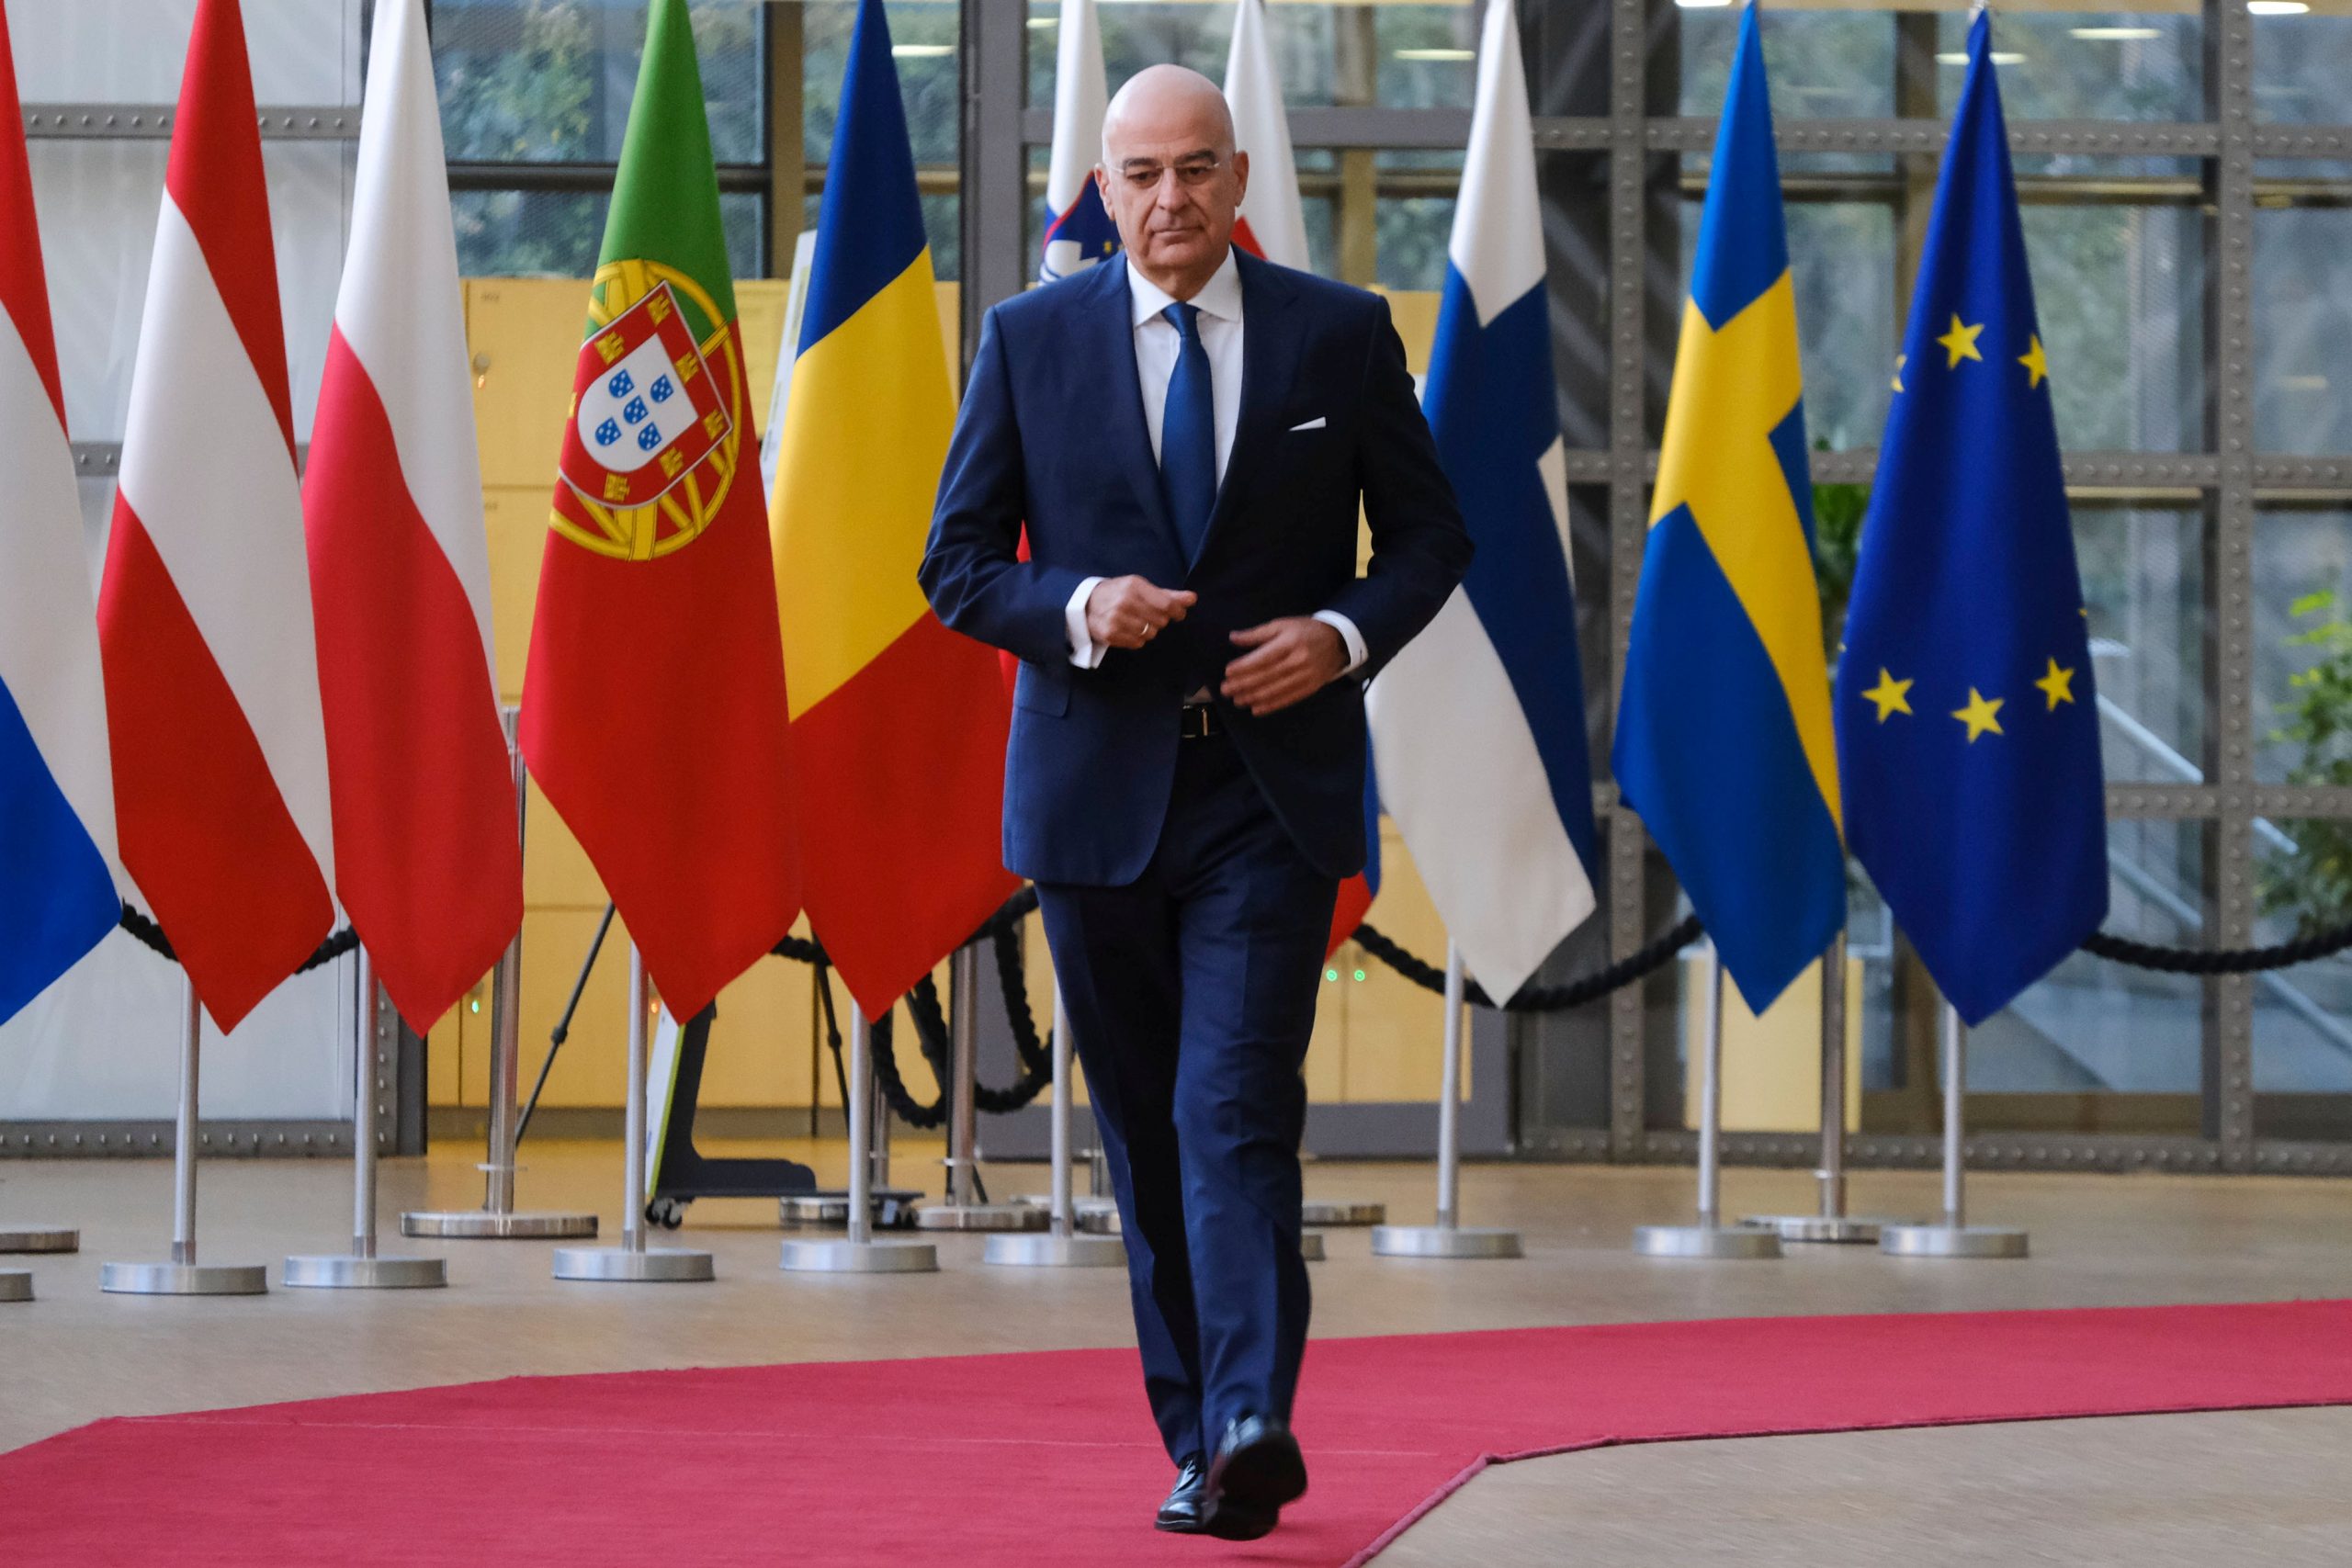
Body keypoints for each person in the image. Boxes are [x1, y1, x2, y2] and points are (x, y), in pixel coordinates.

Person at [918, 64, 1470, 1541]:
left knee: (1232, 1109)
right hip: (1095, 801)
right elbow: (955, 566)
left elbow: (1431, 539)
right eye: (1143, 174)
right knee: (1148, 1135)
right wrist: (1079, 607)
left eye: (1197, 168)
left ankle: (1247, 1423)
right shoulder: (1029, 340)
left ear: (1238, 178)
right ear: (1104, 192)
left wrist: (1341, 636)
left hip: (1267, 799)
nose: (1171, 198)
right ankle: (1197, 1433)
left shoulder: (1339, 335)